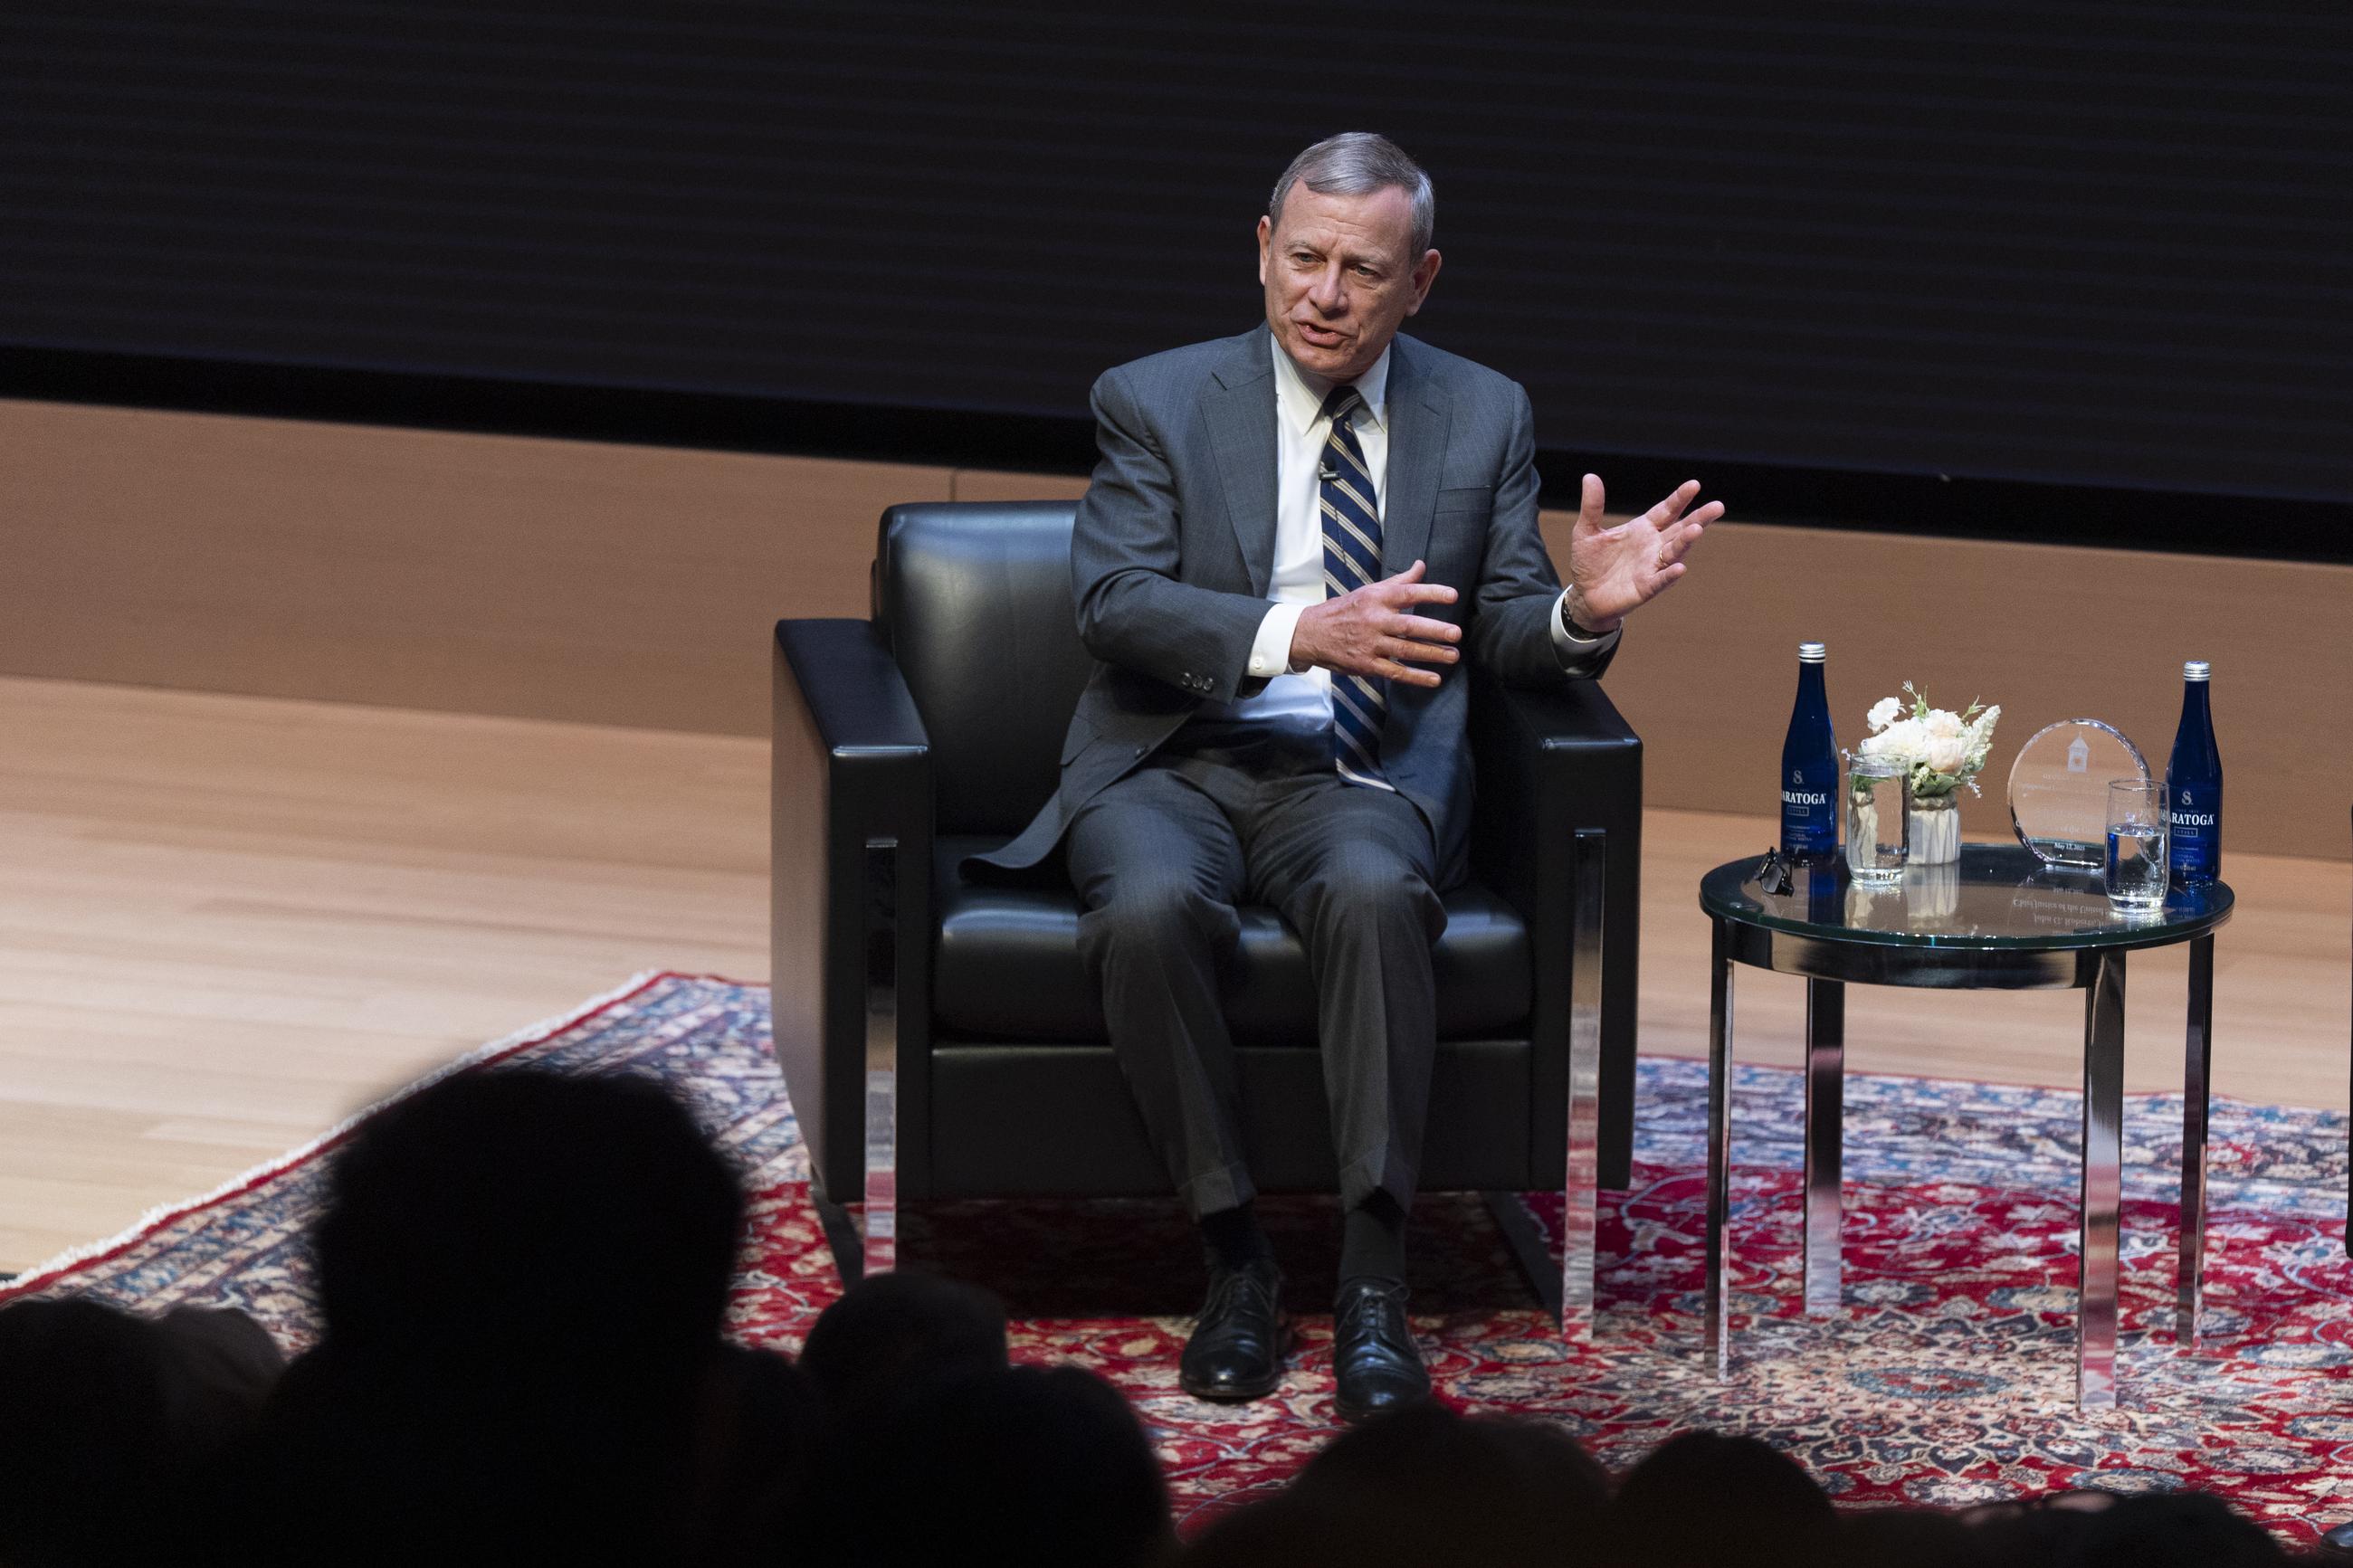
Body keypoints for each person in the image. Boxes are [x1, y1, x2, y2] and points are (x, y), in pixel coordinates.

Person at [976, 131, 1714, 1420]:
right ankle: (1236, 1259)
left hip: (1359, 772)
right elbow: (1114, 600)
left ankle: (1375, 1276)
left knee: (1376, 899)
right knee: (1145, 910)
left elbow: (1502, 623)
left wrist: (1579, 615)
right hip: (1172, 760)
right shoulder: (1155, 397)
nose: (1324, 295)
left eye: (1362, 271)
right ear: (1263, 250)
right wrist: (1296, 634)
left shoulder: (1481, 412)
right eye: (1304, 259)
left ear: (1419, 281)